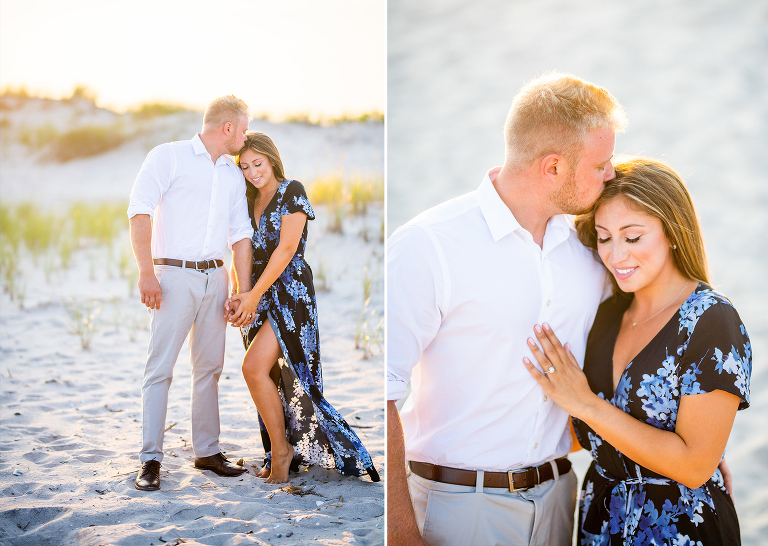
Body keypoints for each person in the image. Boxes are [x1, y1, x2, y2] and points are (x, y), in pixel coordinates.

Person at [387, 73, 627, 545]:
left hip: (560, 502)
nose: (611, 174)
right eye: (602, 163)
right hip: (459, 509)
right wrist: (400, 533)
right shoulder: (429, 245)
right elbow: (383, 391)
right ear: (554, 167)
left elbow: (636, 340)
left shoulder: (591, 252)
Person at [523, 157, 750, 545]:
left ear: (673, 230)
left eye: (633, 237)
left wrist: (586, 404)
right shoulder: (607, 313)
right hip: (601, 521)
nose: (616, 255)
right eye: (604, 237)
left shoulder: (711, 319)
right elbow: (591, 436)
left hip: (681, 528)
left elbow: (695, 466)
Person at [225, 131, 380, 484]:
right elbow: (239, 248)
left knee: (254, 369)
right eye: (245, 166)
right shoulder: (246, 198)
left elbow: (285, 250)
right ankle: (278, 449)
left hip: (289, 295)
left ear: (272, 160)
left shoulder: (292, 190)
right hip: (257, 296)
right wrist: (240, 293)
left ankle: (282, 452)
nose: (252, 172)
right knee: (275, 377)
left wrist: (252, 295)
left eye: (258, 164)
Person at [127, 95, 254, 491]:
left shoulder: (233, 175)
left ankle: (207, 451)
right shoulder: (169, 156)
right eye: (244, 128)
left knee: (209, 369)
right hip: (172, 276)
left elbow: (241, 234)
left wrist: (242, 289)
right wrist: (146, 272)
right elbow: (140, 210)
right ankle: (150, 459)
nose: (246, 136)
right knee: (160, 369)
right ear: (228, 127)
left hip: (215, 278)